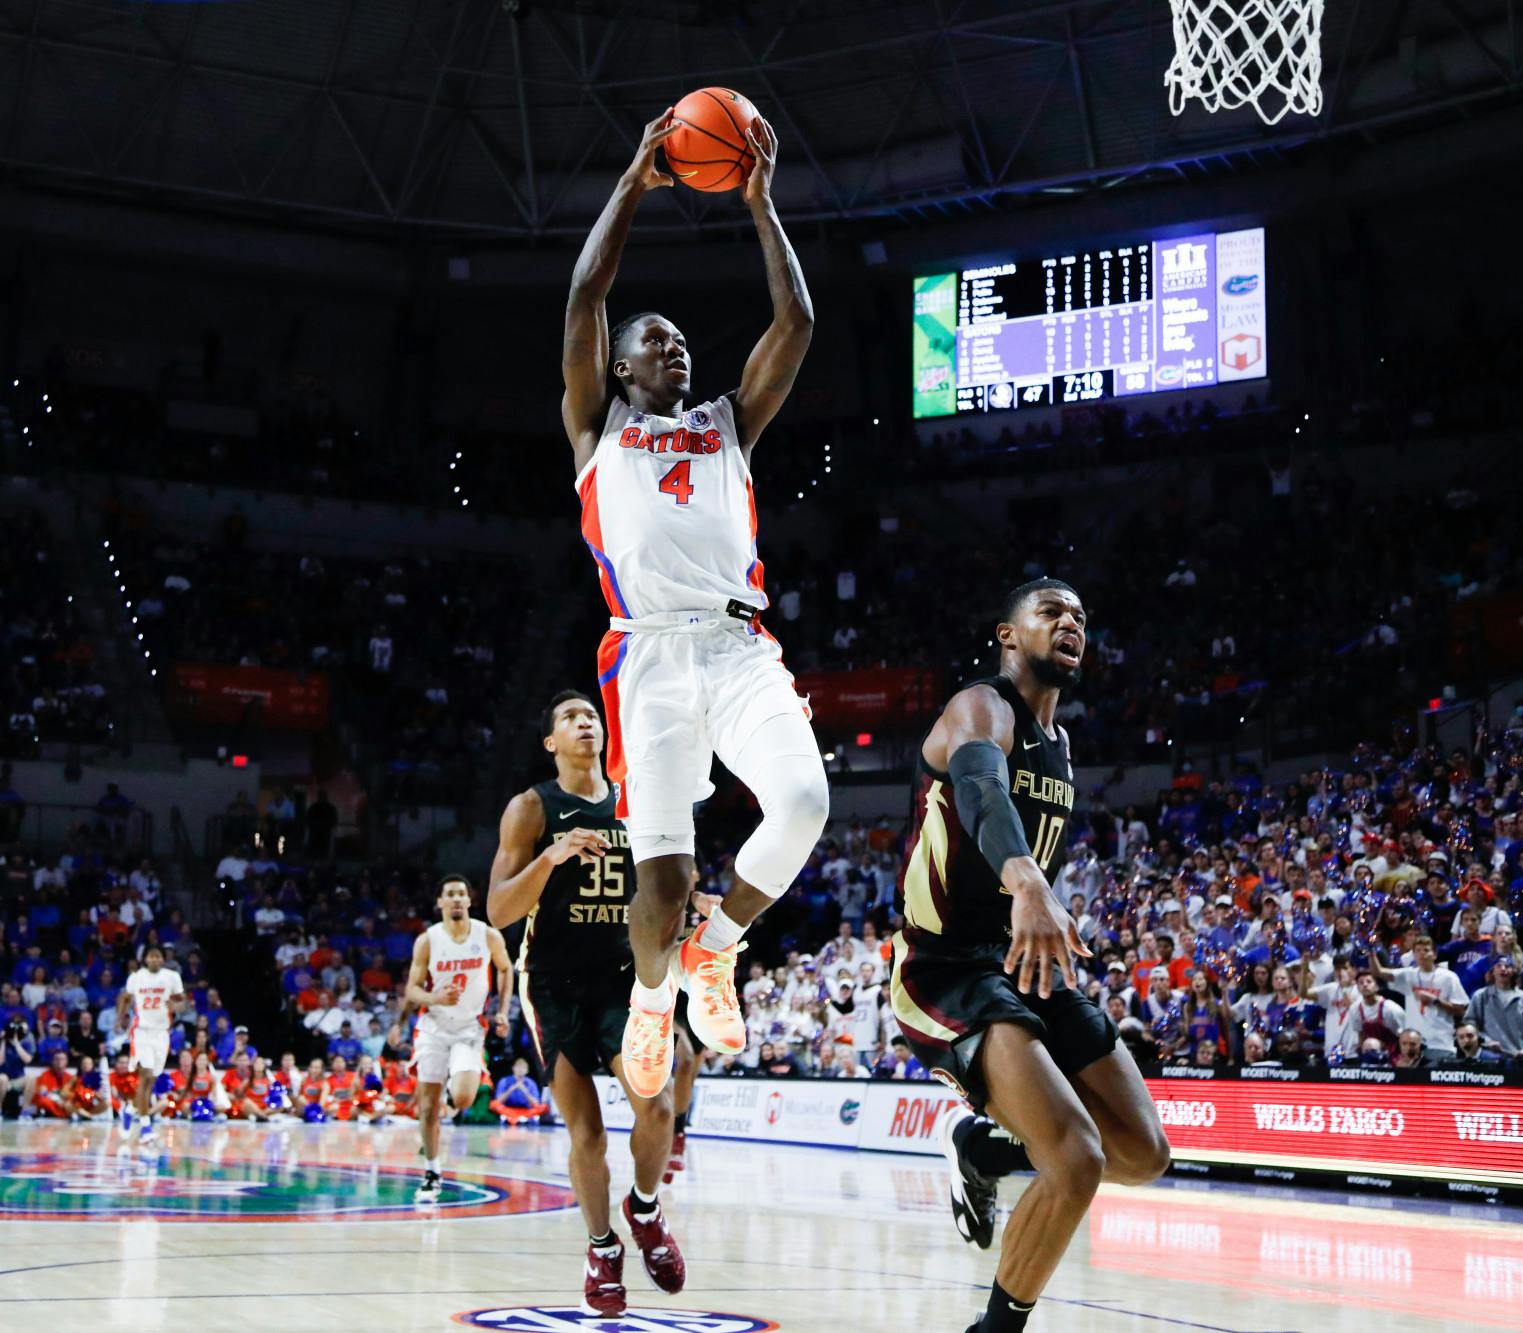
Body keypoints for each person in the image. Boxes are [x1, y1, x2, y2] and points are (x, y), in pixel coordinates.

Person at [561, 103, 826, 1100]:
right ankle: (646, 1002)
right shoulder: (596, 428)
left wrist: (759, 207)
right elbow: (586, 294)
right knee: (659, 874)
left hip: (736, 645)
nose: (673, 350)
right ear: (620, 366)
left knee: (803, 800)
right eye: (653, 343)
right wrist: (633, 179)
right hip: (647, 658)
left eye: (679, 342)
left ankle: (714, 951)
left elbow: (794, 324)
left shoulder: (727, 423)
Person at [888, 579, 1168, 1333]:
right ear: (1008, 635)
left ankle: (981, 1145)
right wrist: (1028, 880)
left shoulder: (1064, 747)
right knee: (1076, 1157)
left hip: (1017, 963)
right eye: (1051, 612)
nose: (1070, 621)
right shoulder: (978, 707)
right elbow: (981, 790)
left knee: (1142, 1153)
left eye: (1080, 615)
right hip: (941, 967)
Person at [486, 690, 687, 1316]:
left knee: (657, 1107)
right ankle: (602, 1248)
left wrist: (695, 906)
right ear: (551, 742)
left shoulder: (637, 798)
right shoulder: (531, 808)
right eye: (572, 719)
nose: (586, 725)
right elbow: (498, 910)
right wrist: (553, 854)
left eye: (593, 717)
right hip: (551, 984)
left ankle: (645, 1210)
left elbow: (676, 877)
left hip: (623, 978)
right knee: (589, 1134)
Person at [394, 875, 512, 1205]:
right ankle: (432, 1172)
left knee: (461, 1099)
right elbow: (413, 990)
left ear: (470, 900)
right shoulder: (428, 940)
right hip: (433, 1026)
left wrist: (502, 1011)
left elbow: (506, 969)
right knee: (429, 1107)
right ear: (440, 903)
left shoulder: (487, 935)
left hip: (469, 1027)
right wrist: (434, 997)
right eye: (450, 894)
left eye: (462, 893)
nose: (457, 898)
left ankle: (451, 1084)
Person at [118, 943, 185, 1145]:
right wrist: (120, 1018)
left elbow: (183, 1001)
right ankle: (146, 1127)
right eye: (151, 956)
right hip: (142, 1032)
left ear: (163, 959)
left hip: (162, 1033)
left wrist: (176, 1005)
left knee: (151, 1080)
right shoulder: (136, 977)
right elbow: (125, 998)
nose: (154, 959)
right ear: (145, 959)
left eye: (158, 956)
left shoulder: (172, 977)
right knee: (145, 1075)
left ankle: (130, 1110)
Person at [1465, 954, 1523, 1062]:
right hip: (1488, 1057)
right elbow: (1470, 1024)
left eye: (1507, 966)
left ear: (1514, 971)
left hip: (1518, 1058)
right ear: (1492, 971)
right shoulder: (1480, 996)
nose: (1503, 969)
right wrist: (1485, 1041)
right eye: (1498, 966)